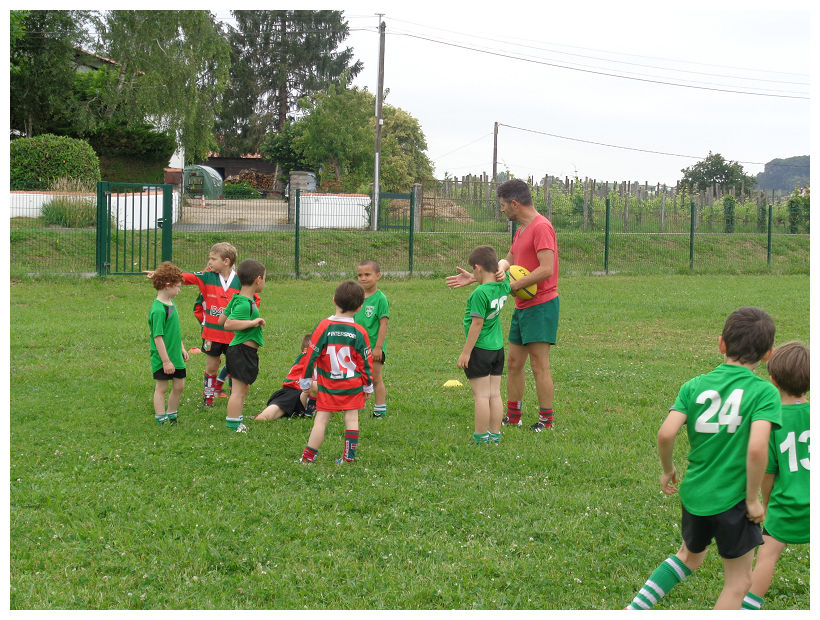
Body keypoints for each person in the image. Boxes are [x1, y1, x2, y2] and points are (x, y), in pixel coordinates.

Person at [625, 306, 781, 610]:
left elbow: (666, 433)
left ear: (721, 344)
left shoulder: (693, 386)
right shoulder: (765, 393)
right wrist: (752, 500)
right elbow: (757, 449)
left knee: (689, 556)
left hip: (695, 494)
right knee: (739, 583)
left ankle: (634, 610)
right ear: (768, 355)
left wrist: (668, 469)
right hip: (734, 500)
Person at [446, 178, 559, 432]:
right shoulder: (521, 230)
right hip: (523, 305)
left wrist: (513, 285)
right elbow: (509, 260)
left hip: (542, 305)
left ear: (515, 204)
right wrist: (480, 276)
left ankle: (546, 421)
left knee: (539, 365)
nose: (502, 209)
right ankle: (514, 416)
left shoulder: (542, 227)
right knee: (514, 364)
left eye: (503, 205)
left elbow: (547, 269)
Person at [148, 242, 259, 407]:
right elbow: (185, 277)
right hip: (212, 334)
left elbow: (253, 300)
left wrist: (248, 319)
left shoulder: (240, 281)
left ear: (226, 261)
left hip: (233, 335)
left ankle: (234, 398)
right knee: (211, 366)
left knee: (234, 368)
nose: (209, 262)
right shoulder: (206, 276)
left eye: (213, 259)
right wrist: (161, 275)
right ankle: (208, 399)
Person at [743, 341, 810, 610]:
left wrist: (768, 504)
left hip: (786, 507)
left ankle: (748, 608)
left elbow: (768, 473)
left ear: (772, 379)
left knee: (767, 556)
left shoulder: (771, 420)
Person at [299, 280, 374, 464]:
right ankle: (349, 458)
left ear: (334, 300)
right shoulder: (360, 332)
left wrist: (306, 380)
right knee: (352, 418)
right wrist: (368, 385)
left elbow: (311, 355)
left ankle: (308, 458)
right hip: (352, 384)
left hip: (328, 385)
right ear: (360, 308)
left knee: (321, 420)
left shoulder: (323, 327)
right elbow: (365, 362)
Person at [456, 245, 511, 445]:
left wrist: (466, 352)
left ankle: (481, 438)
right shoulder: (504, 284)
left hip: (480, 350)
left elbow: (477, 324)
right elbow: (506, 263)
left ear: (478, 267)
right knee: (494, 394)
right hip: (497, 349)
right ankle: (494, 435)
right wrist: (502, 268)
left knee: (481, 396)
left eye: (473, 269)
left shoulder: (479, 293)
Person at [219, 259, 266, 432]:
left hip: (242, 351)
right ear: (258, 279)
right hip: (241, 351)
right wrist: (252, 322)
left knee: (243, 388)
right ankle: (233, 425)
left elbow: (221, 319)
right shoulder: (245, 303)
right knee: (238, 391)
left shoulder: (238, 299)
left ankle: (237, 418)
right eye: (264, 279)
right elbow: (228, 324)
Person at [148, 261, 189, 424]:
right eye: (177, 286)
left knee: (179, 385)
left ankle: (172, 414)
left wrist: (181, 348)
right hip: (163, 357)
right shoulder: (158, 310)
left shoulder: (171, 303)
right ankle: (161, 417)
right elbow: (157, 337)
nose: (179, 290)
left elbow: (174, 331)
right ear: (167, 285)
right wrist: (165, 361)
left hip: (175, 354)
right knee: (162, 388)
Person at [354, 259, 390, 418]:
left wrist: (378, 347)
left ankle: (379, 410)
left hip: (373, 347)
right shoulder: (355, 297)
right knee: (355, 378)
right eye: (360, 275)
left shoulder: (380, 298)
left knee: (375, 378)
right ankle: (354, 407)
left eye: (367, 274)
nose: (363, 278)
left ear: (378, 276)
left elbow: (383, 324)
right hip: (356, 346)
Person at [255, 334, 318, 421]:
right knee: (265, 417)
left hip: (302, 396)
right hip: (291, 392)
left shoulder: (314, 364)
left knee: (315, 386)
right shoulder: (306, 356)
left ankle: (309, 413)